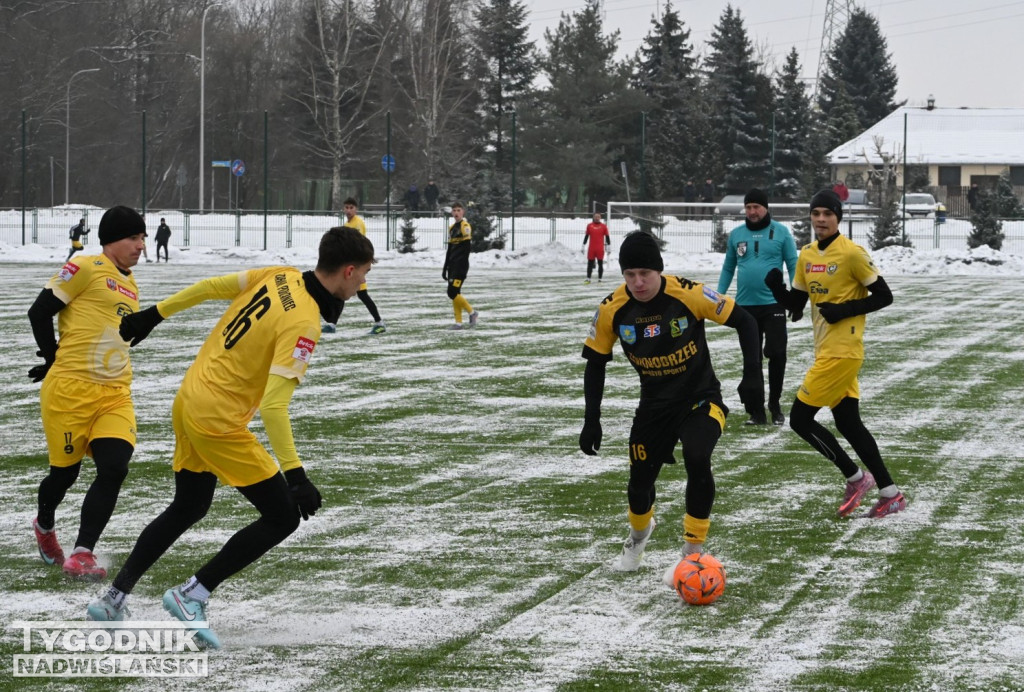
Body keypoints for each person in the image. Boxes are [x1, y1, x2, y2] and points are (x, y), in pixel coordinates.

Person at [86, 227, 375, 648]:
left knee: (188, 505)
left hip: (189, 399)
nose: (364, 283)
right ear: (348, 271)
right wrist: (296, 476)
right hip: (217, 419)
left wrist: (154, 313)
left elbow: (208, 287)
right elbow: (275, 407)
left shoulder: (279, 275)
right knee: (282, 516)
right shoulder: (305, 322)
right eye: (364, 274)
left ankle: (114, 598)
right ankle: (192, 594)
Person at [579, 231, 763, 581]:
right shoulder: (611, 309)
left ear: (659, 270)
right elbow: (595, 364)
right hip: (653, 408)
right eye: (630, 274)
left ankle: (693, 552)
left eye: (645, 273)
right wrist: (592, 419)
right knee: (638, 486)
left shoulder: (688, 293)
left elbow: (746, 321)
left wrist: (752, 375)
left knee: (698, 456)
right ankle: (638, 536)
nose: (638, 282)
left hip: (700, 399)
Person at [764, 189, 906, 519]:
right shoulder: (807, 255)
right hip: (826, 351)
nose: (821, 220)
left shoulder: (852, 253)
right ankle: (891, 494)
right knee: (849, 423)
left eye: (828, 214)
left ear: (838, 217)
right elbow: (796, 307)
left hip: (843, 353)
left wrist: (844, 310)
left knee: (800, 419)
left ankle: (856, 478)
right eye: (816, 214)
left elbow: (884, 296)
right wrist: (776, 289)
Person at [27, 206, 148, 581]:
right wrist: (51, 359)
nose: (140, 245)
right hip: (70, 392)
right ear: (111, 240)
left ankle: (82, 553)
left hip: (114, 393)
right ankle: (45, 524)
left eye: (143, 238)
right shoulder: (84, 266)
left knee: (114, 467)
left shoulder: (130, 285)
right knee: (64, 477)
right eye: (133, 237)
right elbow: (39, 311)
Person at [717, 188, 799, 425]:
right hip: (745, 309)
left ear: (766, 208)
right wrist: (719, 296)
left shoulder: (782, 233)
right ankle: (756, 411)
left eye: (757, 207)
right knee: (751, 360)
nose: (752, 212)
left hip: (774, 304)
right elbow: (728, 267)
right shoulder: (736, 235)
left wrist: (795, 297)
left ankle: (775, 404)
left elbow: (793, 264)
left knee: (777, 354)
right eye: (749, 207)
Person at [342, 197, 386, 334]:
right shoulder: (347, 225)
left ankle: (380, 323)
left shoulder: (358, 224)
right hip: (351, 265)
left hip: (357, 266)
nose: (349, 210)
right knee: (340, 292)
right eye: (347, 207)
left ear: (356, 209)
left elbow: (360, 246)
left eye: (351, 208)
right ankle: (331, 323)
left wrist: (360, 267)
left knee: (363, 295)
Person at [441, 201, 479, 330]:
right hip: (452, 265)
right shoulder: (452, 228)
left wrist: (460, 266)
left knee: (451, 293)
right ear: (452, 212)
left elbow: (467, 248)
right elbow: (450, 249)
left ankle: (472, 313)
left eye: (458, 210)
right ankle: (458, 323)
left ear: (463, 212)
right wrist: (445, 267)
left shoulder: (465, 226)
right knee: (455, 293)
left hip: (460, 266)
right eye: (454, 210)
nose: (456, 212)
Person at [582, 212, 611, 284]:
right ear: (593, 217)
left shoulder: (604, 226)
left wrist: (609, 246)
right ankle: (588, 278)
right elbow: (586, 236)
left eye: (598, 217)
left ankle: (600, 279)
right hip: (591, 248)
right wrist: (583, 245)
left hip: (600, 248)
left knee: (600, 263)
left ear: (600, 218)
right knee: (590, 264)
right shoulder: (589, 226)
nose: (597, 218)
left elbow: (607, 237)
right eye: (596, 216)